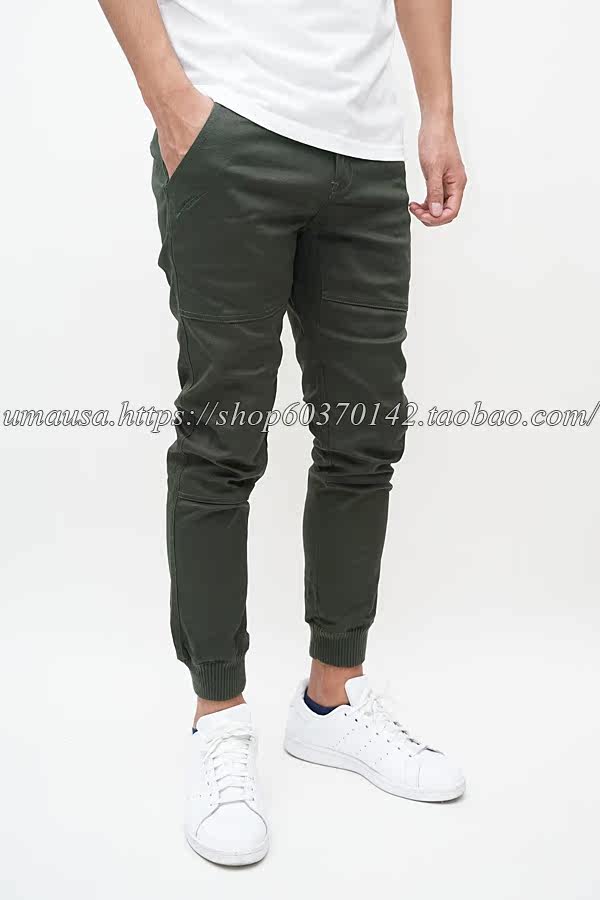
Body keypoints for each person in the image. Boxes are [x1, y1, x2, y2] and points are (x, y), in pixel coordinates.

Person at [99, 0, 468, 866]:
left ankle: (331, 698)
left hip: (367, 149)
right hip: (230, 128)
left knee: (365, 435)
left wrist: (437, 112)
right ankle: (219, 717)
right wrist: (172, 104)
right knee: (222, 441)